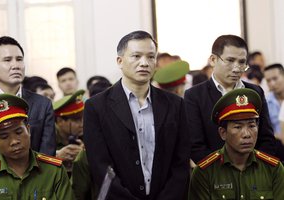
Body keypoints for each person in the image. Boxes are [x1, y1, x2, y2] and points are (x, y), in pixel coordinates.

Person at [83, 30, 190, 200]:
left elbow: (180, 163)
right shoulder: (96, 107)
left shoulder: (175, 104)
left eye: (150, 57)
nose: (144, 63)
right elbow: (100, 166)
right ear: (120, 61)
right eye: (136, 56)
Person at [184, 34, 276, 163]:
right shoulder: (194, 95)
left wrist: (254, 168)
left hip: (254, 174)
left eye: (242, 62)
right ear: (213, 60)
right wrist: (227, 172)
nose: (237, 68)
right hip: (215, 176)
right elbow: (196, 146)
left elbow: (267, 139)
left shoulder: (254, 92)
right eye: (230, 60)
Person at [189, 88, 284, 199]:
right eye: (238, 127)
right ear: (223, 133)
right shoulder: (205, 172)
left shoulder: (273, 169)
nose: (246, 134)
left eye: (252, 126)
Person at [0, 94, 74, 199]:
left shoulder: (54, 171)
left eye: (18, 132)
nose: (14, 141)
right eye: (4, 136)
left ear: (28, 130)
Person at [0, 36, 56, 157]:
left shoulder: (43, 104)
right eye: (7, 60)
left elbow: (47, 154)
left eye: (19, 59)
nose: (16, 65)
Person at [53, 89, 85, 175]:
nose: (82, 124)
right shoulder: (45, 136)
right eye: (77, 120)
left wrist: (84, 154)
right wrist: (56, 157)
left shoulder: (88, 134)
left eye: (83, 118)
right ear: (60, 121)